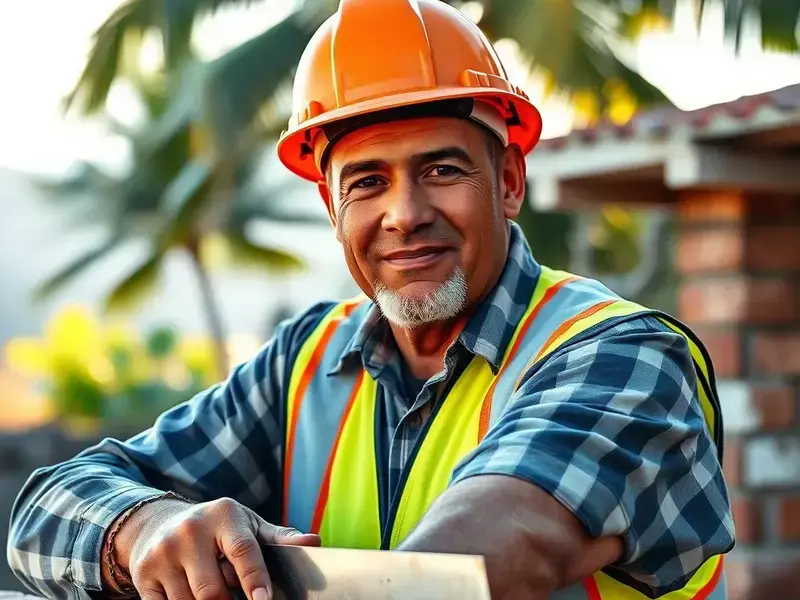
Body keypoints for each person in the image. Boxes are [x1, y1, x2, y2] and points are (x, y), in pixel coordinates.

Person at [7, 1, 734, 599]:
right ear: (333, 210)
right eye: (366, 183)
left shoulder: (625, 358)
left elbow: (475, 564)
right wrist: (145, 529)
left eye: (441, 169)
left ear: (508, 181)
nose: (404, 213)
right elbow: (42, 512)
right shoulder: (303, 365)